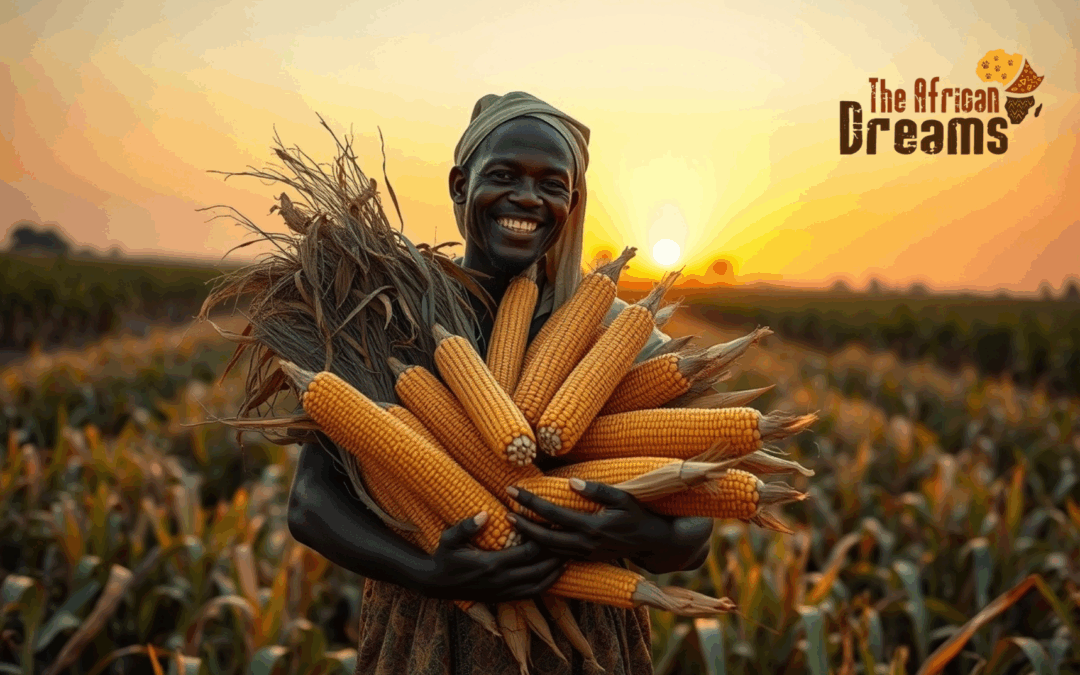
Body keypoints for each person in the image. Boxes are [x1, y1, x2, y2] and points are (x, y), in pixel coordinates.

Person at [287, 92, 714, 675]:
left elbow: (696, 532)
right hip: (428, 628)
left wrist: (636, 532)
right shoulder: (387, 320)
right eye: (504, 175)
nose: (527, 197)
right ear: (460, 185)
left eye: (552, 184)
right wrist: (432, 573)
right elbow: (311, 502)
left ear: (573, 201)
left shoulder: (617, 334)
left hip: (585, 640)